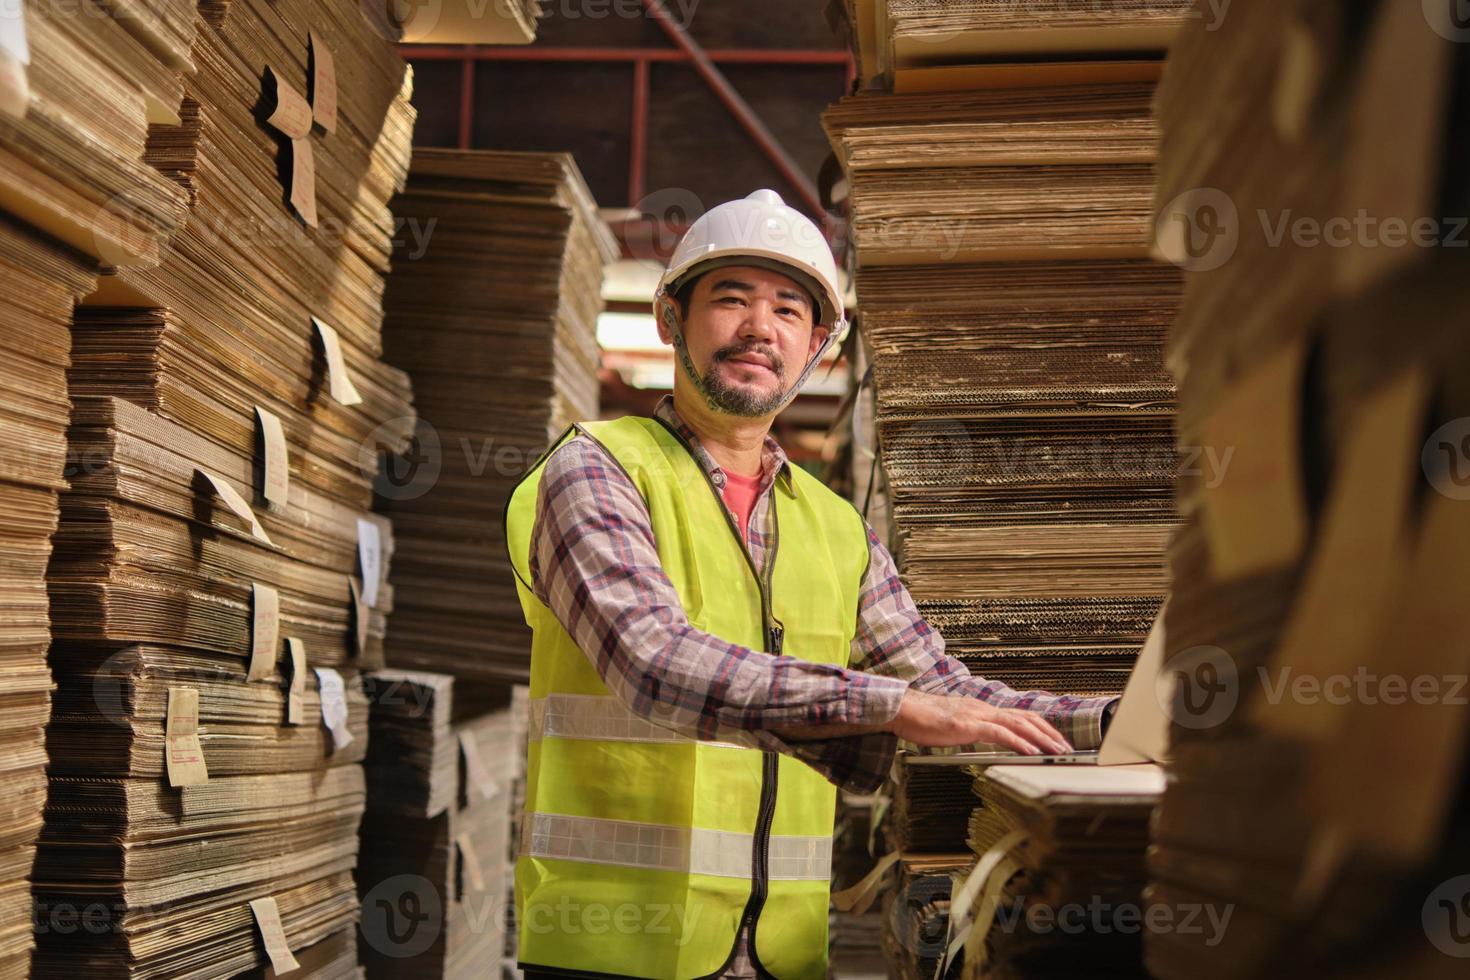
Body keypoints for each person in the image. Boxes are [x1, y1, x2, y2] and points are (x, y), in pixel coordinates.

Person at [504, 190, 1118, 979]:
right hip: (615, 947)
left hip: (783, 953)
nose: (761, 328)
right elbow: (652, 661)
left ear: (819, 348)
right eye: (731, 299)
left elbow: (948, 693)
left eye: (790, 311)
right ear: (671, 319)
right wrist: (894, 708)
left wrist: (1116, 722)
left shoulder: (833, 528)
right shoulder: (595, 468)